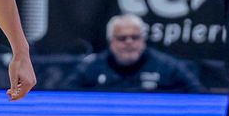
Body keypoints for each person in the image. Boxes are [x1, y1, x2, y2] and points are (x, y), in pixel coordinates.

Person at [63, 14, 202, 91]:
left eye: (135, 37)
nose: (129, 43)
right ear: (111, 41)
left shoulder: (168, 67)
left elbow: (198, 95)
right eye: (122, 38)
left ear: (143, 40)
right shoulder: (92, 67)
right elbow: (67, 96)